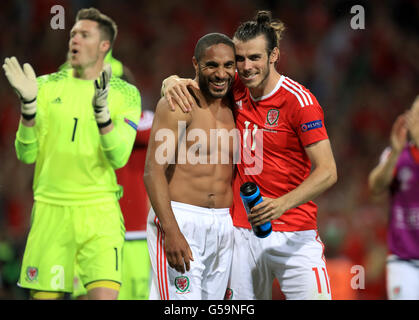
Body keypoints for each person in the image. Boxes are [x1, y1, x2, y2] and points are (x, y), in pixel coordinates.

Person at [162, 10, 337, 300]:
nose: (245, 67)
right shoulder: (234, 89)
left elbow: (328, 171)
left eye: (254, 58)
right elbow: (193, 83)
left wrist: (281, 205)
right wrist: (169, 81)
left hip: (295, 233)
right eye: (240, 59)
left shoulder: (300, 102)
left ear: (274, 55)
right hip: (241, 235)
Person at [2, 8, 141, 300]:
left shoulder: (125, 94)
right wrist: (28, 109)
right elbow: (26, 153)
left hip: (100, 212)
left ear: (104, 45)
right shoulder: (43, 86)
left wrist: (102, 116)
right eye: (73, 33)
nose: (74, 39)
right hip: (51, 211)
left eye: (84, 34)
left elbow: (119, 157)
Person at [144, 33, 237, 300]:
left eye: (228, 65)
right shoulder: (178, 103)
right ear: (196, 65)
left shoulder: (238, 104)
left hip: (223, 226)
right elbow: (153, 172)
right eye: (212, 65)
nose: (221, 74)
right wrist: (171, 230)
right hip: (180, 219)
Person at [368, 95, 419, 300]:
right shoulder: (397, 155)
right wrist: (396, 153)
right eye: (414, 112)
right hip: (403, 261)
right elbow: (375, 186)